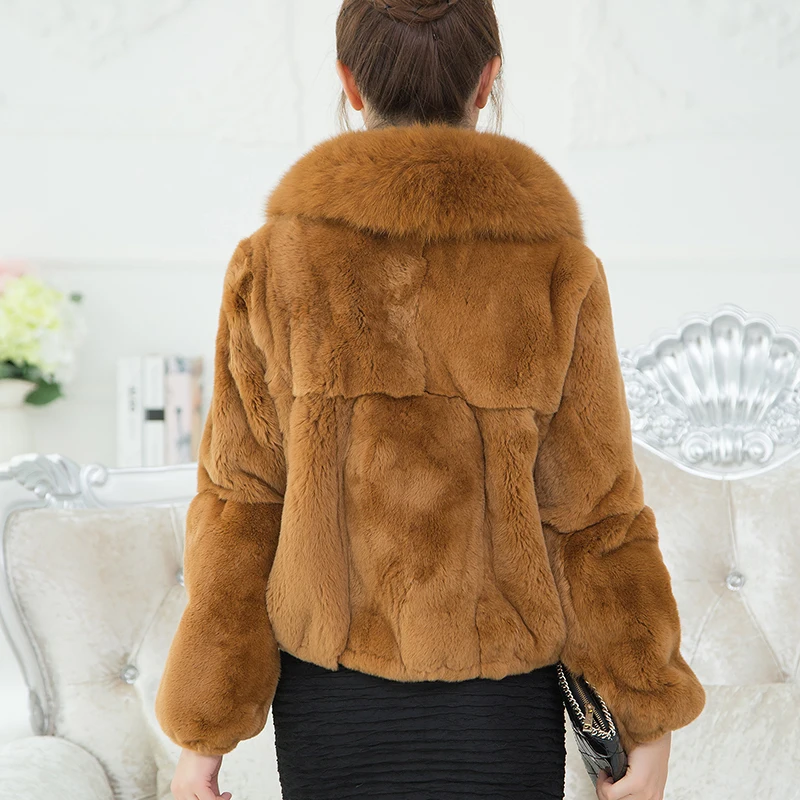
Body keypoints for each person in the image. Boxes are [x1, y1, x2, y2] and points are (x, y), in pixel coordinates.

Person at [155, 1, 706, 799]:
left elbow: (241, 507)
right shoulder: (558, 268)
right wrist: (645, 720)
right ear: (487, 81)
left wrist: (201, 739)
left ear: (349, 83)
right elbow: (594, 516)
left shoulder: (272, 264)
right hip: (501, 705)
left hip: (329, 700)